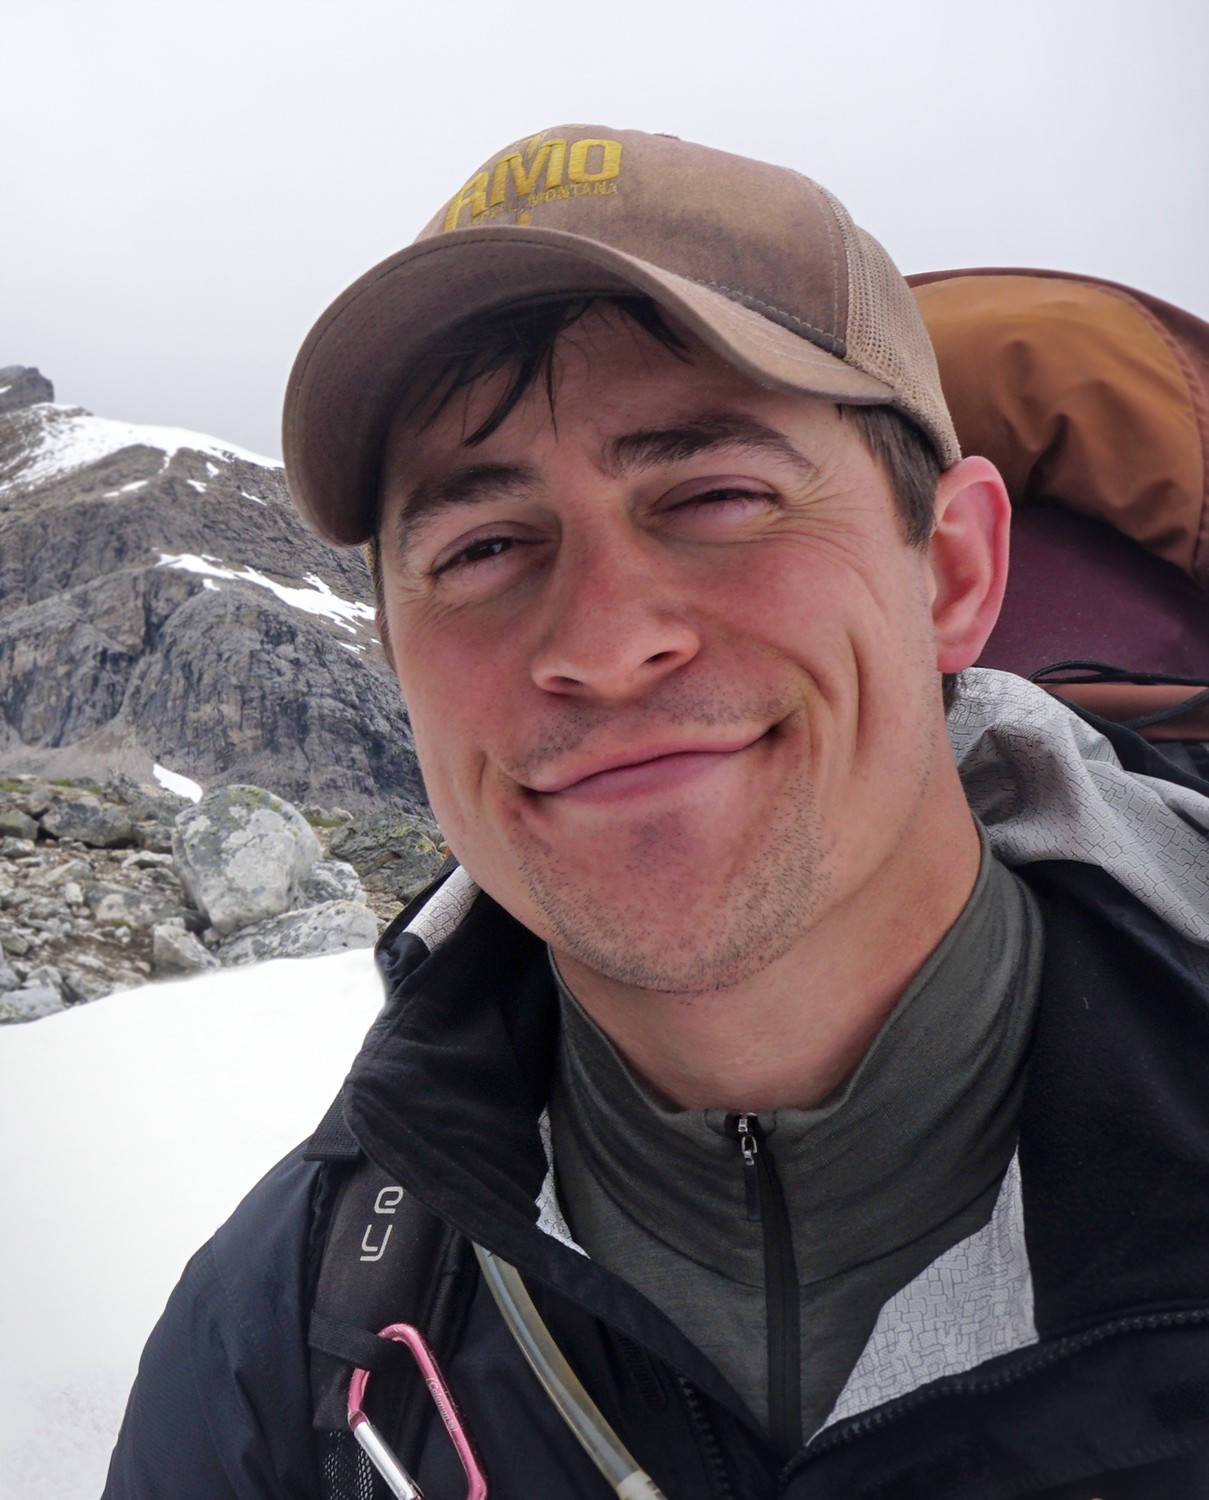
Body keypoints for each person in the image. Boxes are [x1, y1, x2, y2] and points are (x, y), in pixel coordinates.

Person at [104, 126, 1209, 1500]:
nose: (605, 640)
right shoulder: (277, 1348)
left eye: (716, 495)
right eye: (484, 548)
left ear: (953, 572)